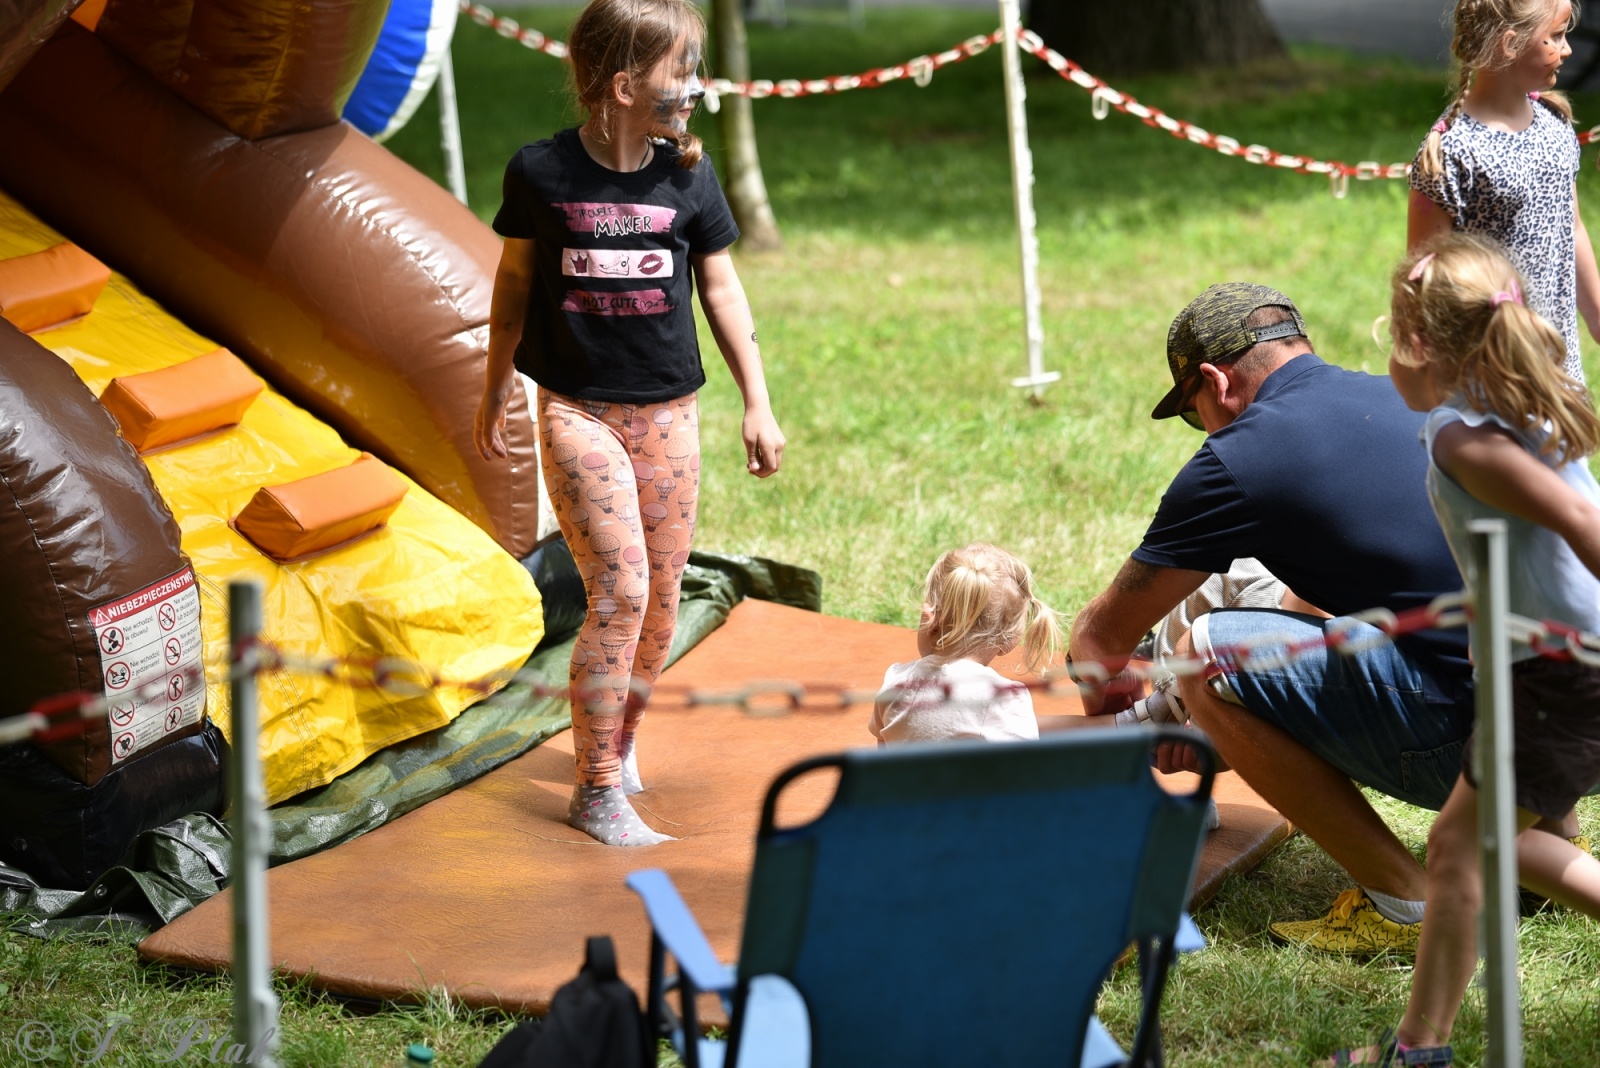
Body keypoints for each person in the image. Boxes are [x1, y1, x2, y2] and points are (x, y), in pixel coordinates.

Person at [1068, 282, 1478, 955]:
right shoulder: (1409, 400)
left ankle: (1407, 902)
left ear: (1214, 380)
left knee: (1208, 653)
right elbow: (1327, 600)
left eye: (1196, 415)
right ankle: (1550, 842)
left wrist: (1127, 703)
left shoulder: (1239, 459)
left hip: (1466, 744)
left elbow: (1103, 640)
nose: (1204, 432)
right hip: (1569, 723)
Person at [473, 0, 785, 846]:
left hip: (670, 415)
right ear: (621, 85)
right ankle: (597, 787)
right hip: (577, 412)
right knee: (621, 591)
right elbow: (510, 288)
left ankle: (621, 738)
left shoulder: (687, 176)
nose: (694, 87)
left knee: (659, 607)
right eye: (680, 71)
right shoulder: (539, 174)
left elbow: (721, 289)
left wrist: (757, 401)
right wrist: (495, 383)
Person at [1330, 235, 1600, 1065]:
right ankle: (1422, 1045)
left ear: (1419, 343)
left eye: (1391, 332)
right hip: (1556, 665)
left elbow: (1584, 524)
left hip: (1562, 669)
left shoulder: (1461, 435)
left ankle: (1419, 1051)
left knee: (1459, 849)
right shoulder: (1516, 392)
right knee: (1477, 844)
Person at [1408, 0, 1600, 386]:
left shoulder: (1555, 125)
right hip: (1489, 379)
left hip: (1560, 372)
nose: (1567, 49)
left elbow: (1572, 228)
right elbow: (1422, 278)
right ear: (1511, 43)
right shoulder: (1452, 152)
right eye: (1556, 37)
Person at [871, 543, 1059, 745]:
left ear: (928, 618)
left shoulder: (895, 682)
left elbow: (883, 758)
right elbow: (1024, 771)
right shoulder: (1005, 698)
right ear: (1011, 640)